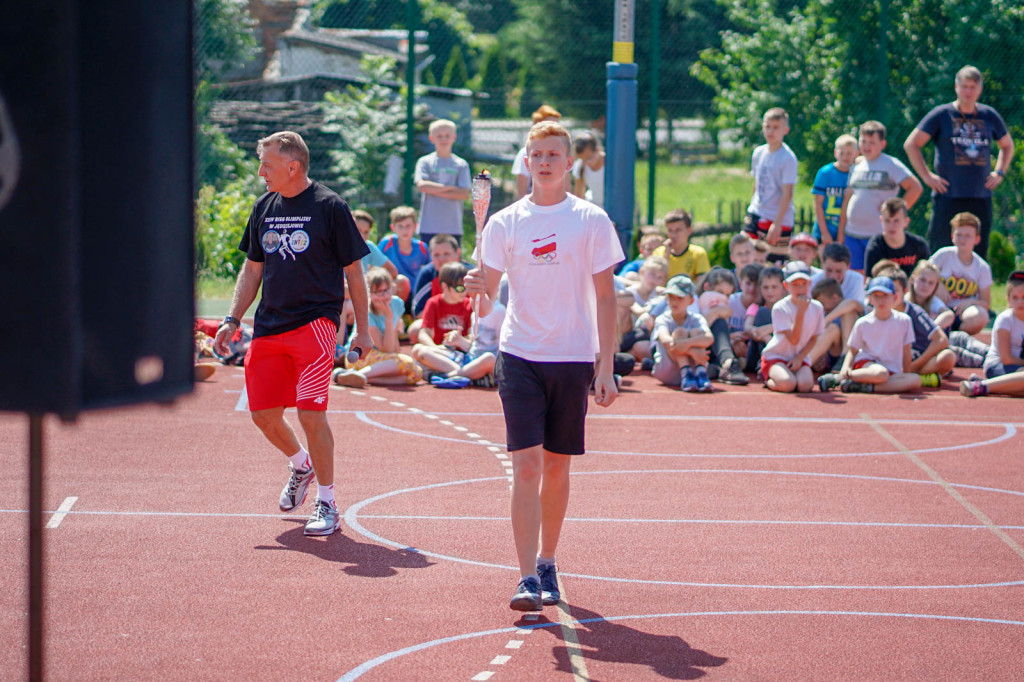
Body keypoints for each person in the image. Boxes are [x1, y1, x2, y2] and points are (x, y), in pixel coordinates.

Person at [464, 120, 623, 612]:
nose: (546, 162)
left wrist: (606, 365)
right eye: (537, 154)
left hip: (573, 356)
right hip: (520, 355)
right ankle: (527, 577)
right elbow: (487, 301)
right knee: (527, 465)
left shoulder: (591, 219)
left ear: (569, 162)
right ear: (527, 161)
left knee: (556, 466)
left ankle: (548, 559)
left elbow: (606, 296)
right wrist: (477, 289)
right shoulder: (504, 222)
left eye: (554, 154)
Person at [213, 131, 371, 537]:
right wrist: (232, 319)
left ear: (292, 166)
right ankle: (302, 465)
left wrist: (362, 331)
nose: (260, 172)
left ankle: (328, 503)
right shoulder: (264, 206)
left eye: (266, 164)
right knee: (263, 415)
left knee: (310, 412)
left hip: (316, 324)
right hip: (269, 325)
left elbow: (355, 272)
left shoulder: (330, 207)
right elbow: (253, 268)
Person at [904, 65, 1015, 256]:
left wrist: (999, 172)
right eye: (964, 86)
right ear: (956, 87)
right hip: (947, 194)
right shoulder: (942, 114)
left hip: (980, 196)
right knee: (940, 250)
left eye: (972, 87)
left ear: (980, 89)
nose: (968, 92)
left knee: (978, 252)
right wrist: (928, 177)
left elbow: (1007, 145)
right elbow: (912, 144)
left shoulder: (989, 115)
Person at [818, 276, 941, 393]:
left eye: (885, 296)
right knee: (881, 374)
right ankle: (841, 378)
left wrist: (905, 375)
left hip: (891, 370)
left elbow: (906, 351)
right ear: (870, 299)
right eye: (876, 296)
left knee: (914, 380)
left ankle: (864, 387)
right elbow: (852, 351)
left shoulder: (904, 321)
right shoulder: (863, 323)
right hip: (867, 366)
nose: (881, 300)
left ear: (894, 297)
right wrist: (845, 370)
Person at [838, 120, 923, 273]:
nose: (866, 146)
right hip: (852, 234)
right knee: (855, 277)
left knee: (877, 275)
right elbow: (847, 199)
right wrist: (841, 232)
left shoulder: (891, 164)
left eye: (872, 142)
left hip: (876, 235)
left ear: (882, 144)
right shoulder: (856, 165)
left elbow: (915, 188)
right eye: (863, 141)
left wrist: (895, 212)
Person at [332, 267, 422, 389]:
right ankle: (359, 374)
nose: (384, 296)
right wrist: (389, 316)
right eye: (378, 292)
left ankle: (362, 378)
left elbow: (393, 345)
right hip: (361, 357)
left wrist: (395, 354)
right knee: (406, 362)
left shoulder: (397, 303)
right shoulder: (367, 311)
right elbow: (386, 349)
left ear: (392, 288)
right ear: (369, 294)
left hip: (383, 357)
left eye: (386, 290)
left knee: (416, 373)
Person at [743, 108, 798, 263]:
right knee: (745, 252)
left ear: (785, 130)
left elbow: (787, 193)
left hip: (777, 217)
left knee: (774, 262)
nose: (770, 131)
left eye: (775, 127)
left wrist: (777, 224)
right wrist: (752, 205)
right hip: (756, 211)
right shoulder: (758, 152)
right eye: (767, 127)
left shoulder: (787, 158)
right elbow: (757, 182)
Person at [760, 261, 824, 392]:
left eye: (804, 284)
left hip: (799, 357)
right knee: (788, 384)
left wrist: (799, 358)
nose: (800, 289)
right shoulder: (780, 308)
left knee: (805, 386)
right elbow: (793, 340)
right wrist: (800, 313)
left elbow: (814, 338)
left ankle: (787, 376)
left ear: (810, 283)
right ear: (786, 286)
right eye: (795, 285)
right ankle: (768, 378)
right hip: (777, 356)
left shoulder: (817, 307)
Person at [882, 266, 957, 377]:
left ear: (904, 290)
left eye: (895, 291)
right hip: (891, 362)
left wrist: (914, 366)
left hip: (918, 358)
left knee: (949, 357)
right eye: (884, 293)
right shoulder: (875, 312)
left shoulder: (915, 312)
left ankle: (913, 376)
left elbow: (942, 340)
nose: (890, 296)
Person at [929, 212, 992, 336]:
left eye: (968, 236)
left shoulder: (982, 267)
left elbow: (986, 303)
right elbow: (922, 271)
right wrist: (938, 284)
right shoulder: (943, 255)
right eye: (959, 235)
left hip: (961, 313)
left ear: (977, 239)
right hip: (938, 309)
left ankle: (956, 336)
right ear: (952, 236)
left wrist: (971, 302)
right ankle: (932, 333)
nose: (962, 239)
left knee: (981, 316)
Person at [651, 274, 714, 391]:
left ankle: (700, 373)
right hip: (668, 371)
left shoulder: (697, 318)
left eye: (680, 298)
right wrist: (693, 351)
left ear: (691, 301)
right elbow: (667, 341)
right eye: (671, 297)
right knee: (679, 333)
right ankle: (685, 373)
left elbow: (709, 338)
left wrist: (686, 344)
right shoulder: (662, 319)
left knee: (697, 333)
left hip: (694, 373)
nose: (674, 301)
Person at [415, 119, 471, 246]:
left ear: (454, 137)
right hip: (428, 226)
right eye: (439, 136)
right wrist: (451, 188)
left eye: (447, 136)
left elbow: (463, 193)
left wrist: (433, 190)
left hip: (453, 227)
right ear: (431, 138)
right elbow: (422, 186)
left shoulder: (461, 164)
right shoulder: (425, 162)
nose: (443, 139)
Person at [409, 234, 467, 338]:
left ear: (457, 253)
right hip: (438, 323)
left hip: (466, 323)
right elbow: (418, 310)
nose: (441, 259)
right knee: (415, 330)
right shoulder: (427, 274)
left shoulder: (469, 273)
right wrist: (446, 320)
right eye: (436, 255)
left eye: (446, 254)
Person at [864, 197, 931, 278]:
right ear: (881, 220)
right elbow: (869, 279)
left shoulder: (919, 245)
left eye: (896, 221)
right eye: (887, 221)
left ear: (906, 221)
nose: (891, 226)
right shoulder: (875, 247)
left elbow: (929, 275)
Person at [812, 134, 858, 251]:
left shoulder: (858, 173)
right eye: (841, 153)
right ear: (835, 153)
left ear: (856, 154)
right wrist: (824, 233)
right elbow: (818, 204)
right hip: (826, 229)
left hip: (848, 231)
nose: (845, 157)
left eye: (849, 153)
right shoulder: (825, 173)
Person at [377, 205, 429, 304]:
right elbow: (374, 267)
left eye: (408, 226)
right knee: (401, 281)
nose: (404, 230)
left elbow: (428, 271)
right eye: (400, 226)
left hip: (416, 292)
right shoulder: (386, 243)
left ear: (415, 226)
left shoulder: (422, 247)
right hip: (391, 289)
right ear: (393, 227)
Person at [512, 104, 563, 199]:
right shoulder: (525, 153)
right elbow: (520, 192)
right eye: (551, 127)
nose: (555, 131)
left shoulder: (561, 153)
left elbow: (566, 188)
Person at [744, 265, 786, 373]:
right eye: (766, 287)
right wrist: (765, 337)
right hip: (756, 354)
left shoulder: (788, 307)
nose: (769, 291)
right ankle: (762, 364)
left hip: (783, 353)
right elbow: (748, 328)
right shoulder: (756, 307)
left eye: (774, 287)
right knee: (763, 312)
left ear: (783, 287)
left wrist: (769, 329)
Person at [650, 209, 711, 280]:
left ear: (689, 230)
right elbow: (655, 281)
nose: (673, 235)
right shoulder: (658, 252)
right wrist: (666, 257)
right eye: (670, 230)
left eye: (678, 230)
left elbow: (701, 282)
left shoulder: (698, 253)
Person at [572, 131, 605, 208]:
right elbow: (579, 195)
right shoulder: (580, 166)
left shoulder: (610, 164)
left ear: (597, 150)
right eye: (583, 160)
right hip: (594, 205)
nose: (587, 163)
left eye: (589, 158)